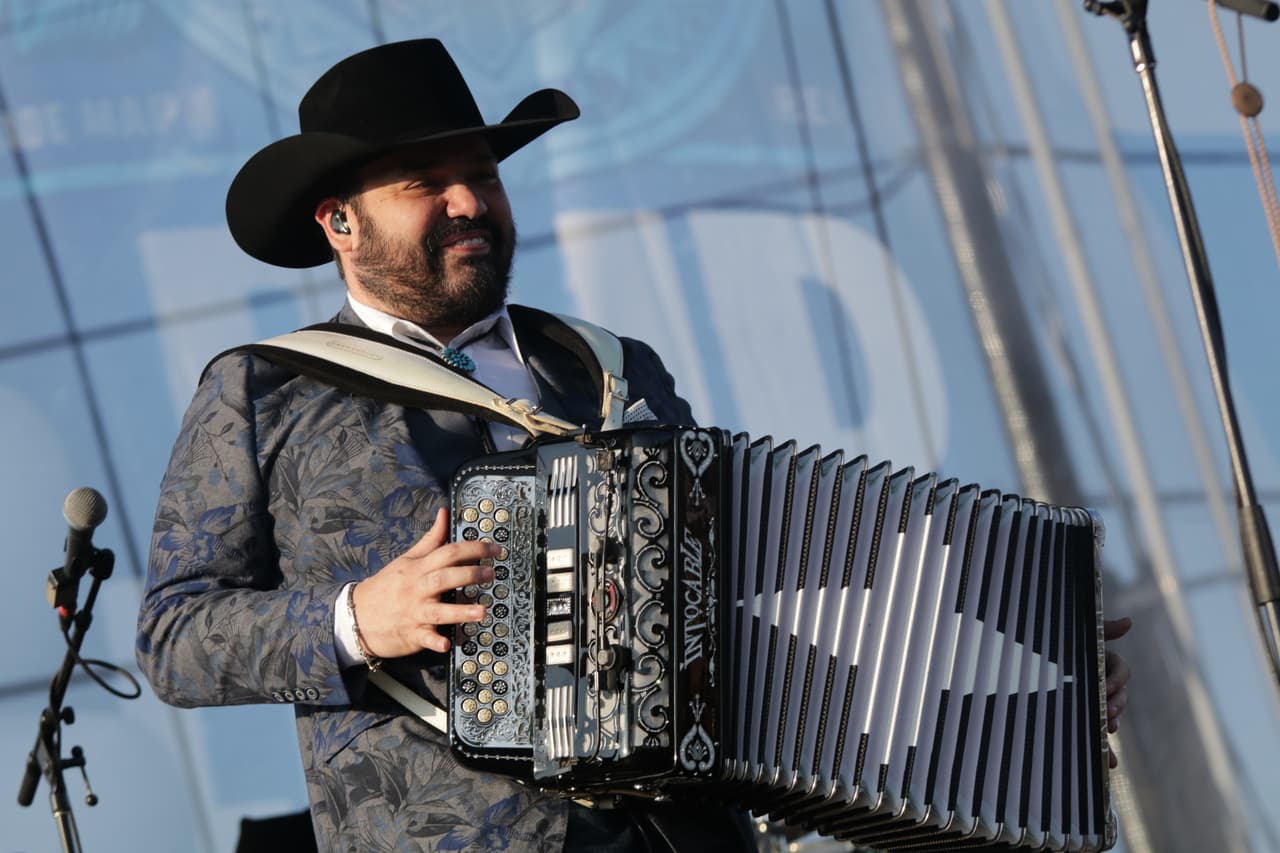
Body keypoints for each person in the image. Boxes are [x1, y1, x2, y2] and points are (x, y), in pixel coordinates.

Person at [137, 38, 1131, 852]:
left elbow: (751, 582)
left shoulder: (606, 365)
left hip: (686, 835)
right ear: (339, 221)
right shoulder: (264, 388)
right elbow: (174, 636)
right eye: (423, 183)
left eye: (480, 175)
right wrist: (360, 616)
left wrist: (1028, 670)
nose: (468, 202)